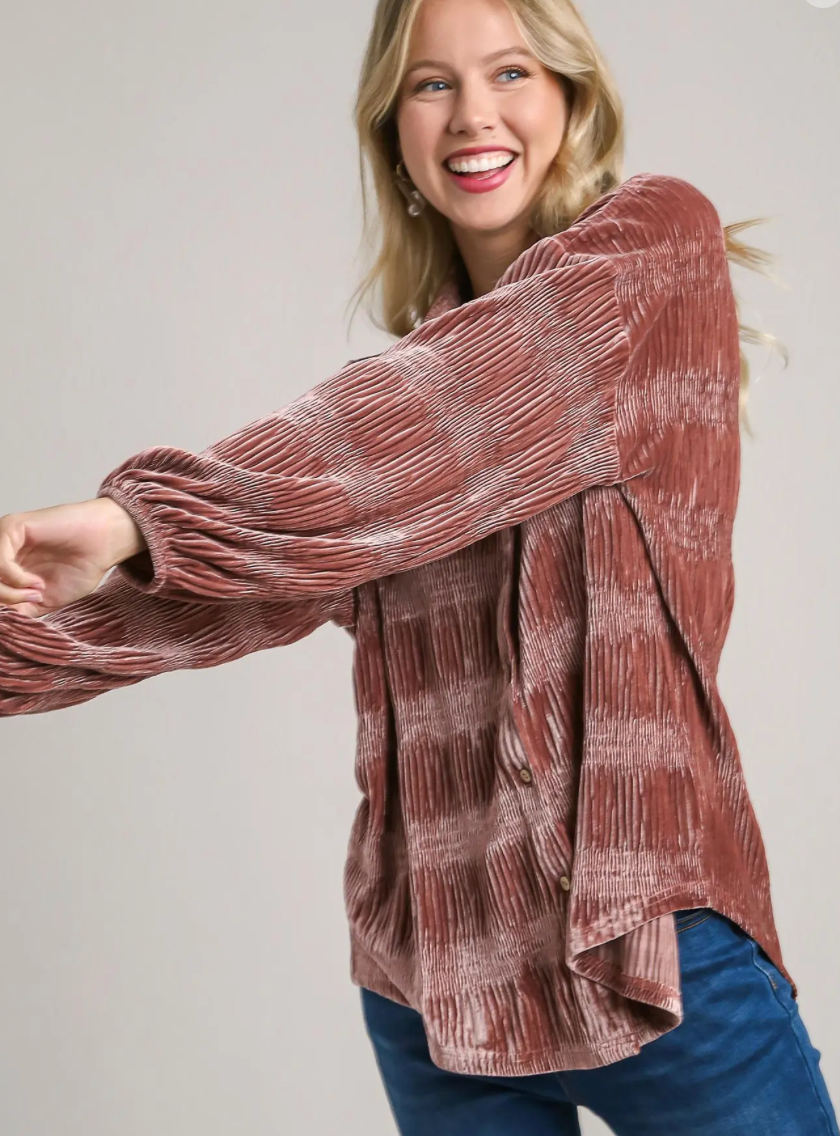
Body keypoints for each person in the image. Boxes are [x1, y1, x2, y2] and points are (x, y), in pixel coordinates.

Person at [0, 0, 836, 1132]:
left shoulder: (649, 253)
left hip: (641, 947)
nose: (473, 114)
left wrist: (137, 517)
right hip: (432, 979)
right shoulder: (371, 450)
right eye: (431, 84)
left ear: (574, 98)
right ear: (393, 130)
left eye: (512, 73)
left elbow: (449, 408)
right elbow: (222, 593)